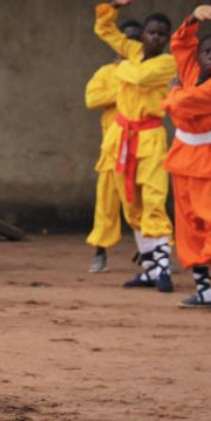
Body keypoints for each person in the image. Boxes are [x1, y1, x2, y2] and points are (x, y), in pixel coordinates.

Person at [93, 0, 177, 291]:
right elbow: (104, 29)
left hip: (150, 137)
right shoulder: (133, 51)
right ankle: (149, 269)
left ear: (166, 39)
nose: (155, 37)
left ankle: (164, 268)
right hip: (120, 136)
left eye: (161, 34)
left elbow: (139, 76)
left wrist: (121, 65)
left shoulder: (167, 63)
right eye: (151, 32)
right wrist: (115, 6)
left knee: (154, 199)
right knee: (132, 205)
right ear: (143, 34)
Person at [163, 5, 211, 313]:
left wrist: (173, 94)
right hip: (183, 157)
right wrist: (193, 17)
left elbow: (184, 104)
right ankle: (203, 290)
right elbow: (180, 44)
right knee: (188, 225)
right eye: (207, 50)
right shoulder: (190, 73)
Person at [83, 20, 141, 273]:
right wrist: (121, 92)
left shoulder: (147, 72)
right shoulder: (106, 72)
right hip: (111, 149)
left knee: (142, 202)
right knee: (106, 203)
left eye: (135, 39)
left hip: (140, 147)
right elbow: (92, 99)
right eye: (125, 38)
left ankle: (152, 252)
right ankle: (100, 253)